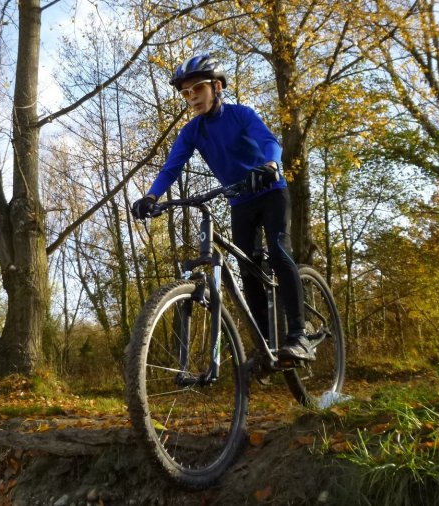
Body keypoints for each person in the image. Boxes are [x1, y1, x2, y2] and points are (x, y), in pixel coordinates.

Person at [131, 53, 313, 362]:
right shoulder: (192, 132)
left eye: (197, 89)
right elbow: (171, 168)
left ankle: (299, 334)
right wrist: (151, 196)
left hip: (270, 191)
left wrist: (270, 164)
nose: (191, 98)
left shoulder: (241, 115)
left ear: (216, 87)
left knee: (280, 252)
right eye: (185, 93)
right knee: (248, 268)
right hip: (239, 201)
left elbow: (270, 142)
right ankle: (267, 344)